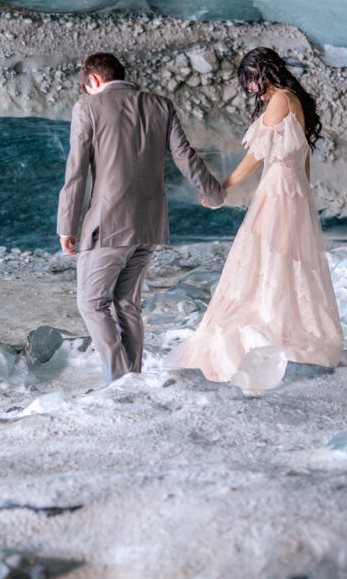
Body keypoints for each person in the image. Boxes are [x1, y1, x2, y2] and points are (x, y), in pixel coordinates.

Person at [166, 46, 344, 384]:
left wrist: (223, 186)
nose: (249, 88)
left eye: (249, 80)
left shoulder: (281, 99)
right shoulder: (293, 99)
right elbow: (303, 156)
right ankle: (282, 330)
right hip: (292, 191)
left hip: (279, 192)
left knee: (265, 258)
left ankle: (269, 335)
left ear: (263, 73)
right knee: (281, 261)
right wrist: (303, 195)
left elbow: (258, 154)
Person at [57, 51, 225, 383]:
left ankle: (120, 383)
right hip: (150, 225)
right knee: (126, 303)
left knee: (91, 304)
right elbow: (184, 155)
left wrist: (66, 225)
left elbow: (76, 172)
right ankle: (131, 382)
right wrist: (214, 193)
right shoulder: (161, 105)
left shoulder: (87, 107)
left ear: (94, 80)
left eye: (86, 86)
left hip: (109, 224)